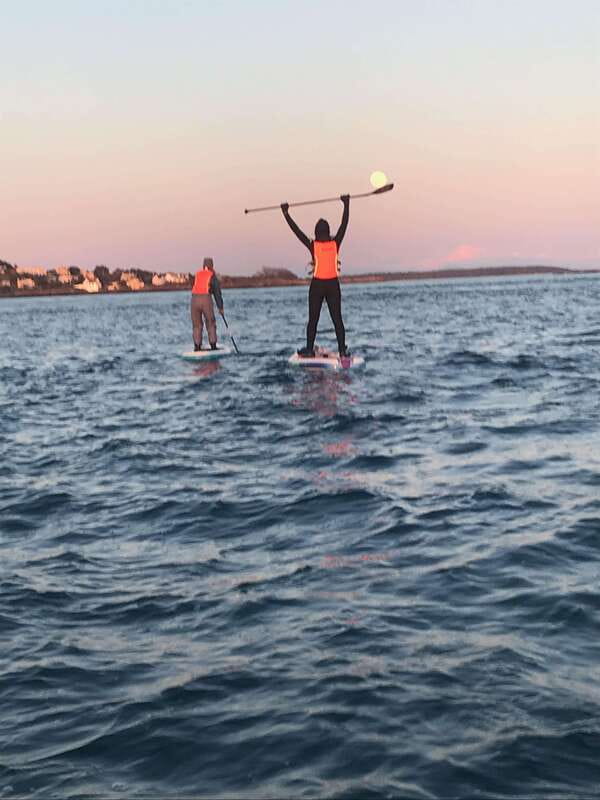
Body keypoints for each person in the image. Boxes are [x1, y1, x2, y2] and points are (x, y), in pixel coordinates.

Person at [281, 195, 350, 357]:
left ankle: (310, 349)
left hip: (318, 285)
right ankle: (342, 350)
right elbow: (344, 224)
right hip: (333, 285)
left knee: (313, 319)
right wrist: (347, 204)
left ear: (316, 232)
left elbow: (296, 231)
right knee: (337, 319)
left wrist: (286, 213)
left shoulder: (313, 245)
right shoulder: (335, 243)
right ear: (328, 231)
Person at [191, 257, 224, 350]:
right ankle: (213, 346)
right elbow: (217, 292)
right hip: (205, 299)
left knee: (196, 325)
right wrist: (220, 308)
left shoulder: (197, 274)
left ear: (203, 265)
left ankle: (197, 347)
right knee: (210, 322)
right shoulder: (212, 275)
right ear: (212, 266)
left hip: (194, 300)